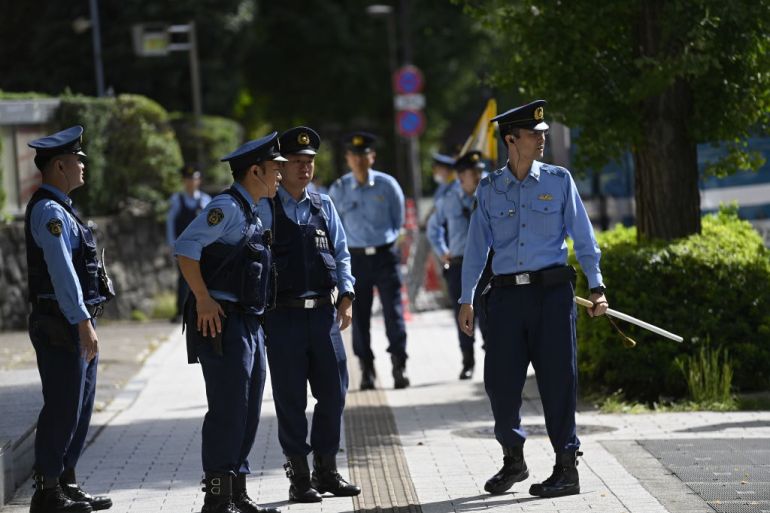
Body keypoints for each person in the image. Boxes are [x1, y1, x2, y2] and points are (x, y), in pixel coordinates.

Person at [458, 100, 608, 498]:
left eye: (543, 133)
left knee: (559, 381)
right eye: (533, 134)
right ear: (511, 139)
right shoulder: (490, 189)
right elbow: (476, 248)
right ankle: (514, 459)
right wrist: (466, 298)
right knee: (500, 385)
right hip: (506, 300)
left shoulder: (559, 181)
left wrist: (597, 288)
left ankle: (566, 468)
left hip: (553, 296)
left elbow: (584, 237)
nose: (542, 139)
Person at [174, 133, 285, 513]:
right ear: (255, 170)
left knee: (250, 406)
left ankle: (236, 487)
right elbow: (186, 248)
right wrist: (203, 298)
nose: (281, 176)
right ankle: (218, 496)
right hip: (223, 322)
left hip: (248, 322)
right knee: (229, 407)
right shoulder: (227, 207)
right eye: (276, 169)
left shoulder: (251, 209)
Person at [264, 126, 360, 503]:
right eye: (298, 162)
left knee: (334, 395)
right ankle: (299, 477)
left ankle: (327, 470)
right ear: (282, 166)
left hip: (323, 315)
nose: (305, 168)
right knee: (290, 400)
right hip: (282, 317)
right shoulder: (264, 207)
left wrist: (347, 294)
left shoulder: (324, 205)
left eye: (310, 162)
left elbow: (342, 253)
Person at [25, 125, 113, 512]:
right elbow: (62, 273)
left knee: (78, 406)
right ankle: (47, 491)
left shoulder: (62, 209)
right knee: (63, 405)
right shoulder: (49, 212)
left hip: (73, 324)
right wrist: (82, 321)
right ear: (59, 165)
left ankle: (65, 481)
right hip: (61, 326)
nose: (83, 166)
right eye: (78, 160)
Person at [328, 132, 409, 390]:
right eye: (354, 156)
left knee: (393, 313)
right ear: (348, 159)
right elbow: (334, 228)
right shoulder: (339, 189)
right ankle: (366, 369)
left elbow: (399, 221)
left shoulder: (388, 185)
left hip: (385, 256)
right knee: (358, 317)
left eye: (364, 155)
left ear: (372, 157)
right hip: (356, 260)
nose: (360, 160)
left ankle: (399, 364)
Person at [427, 150, 489, 380]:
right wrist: (443, 251)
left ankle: (491, 355)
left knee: (489, 313)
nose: (481, 175)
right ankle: (467, 360)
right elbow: (434, 227)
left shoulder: (489, 195)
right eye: (476, 172)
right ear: (462, 176)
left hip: (487, 266)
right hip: (459, 266)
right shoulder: (448, 200)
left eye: (481, 170)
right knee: (463, 314)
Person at [166, 164, 211, 323]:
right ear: (184, 181)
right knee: (183, 280)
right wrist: (171, 244)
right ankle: (181, 312)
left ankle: (201, 308)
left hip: (202, 248)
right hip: (183, 248)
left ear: (199, 180)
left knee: (204, 278)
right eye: (188, 179)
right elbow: (171, 222)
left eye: (194, 178)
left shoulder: (206, 200)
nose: (191, 182)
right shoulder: (176, 200)